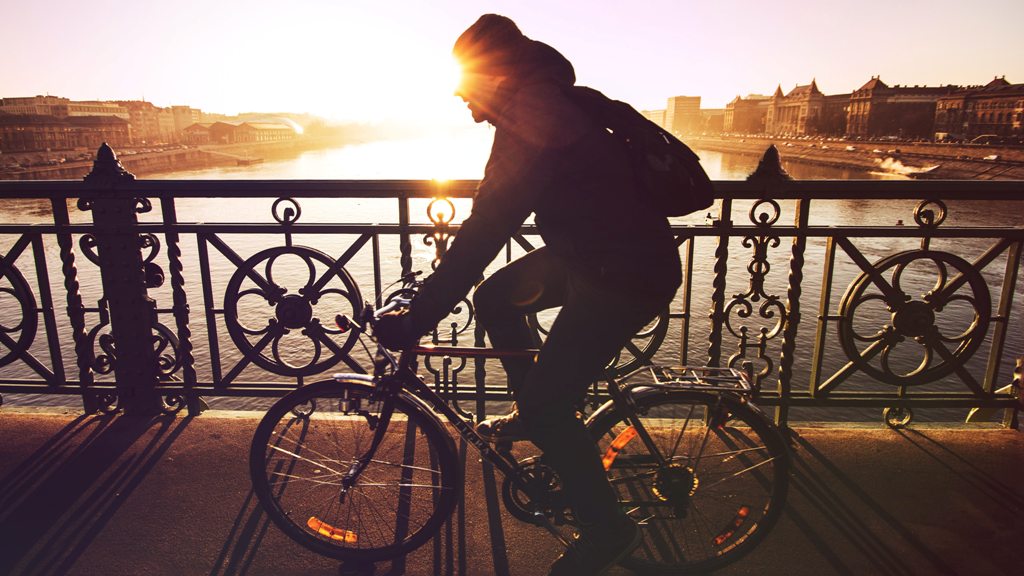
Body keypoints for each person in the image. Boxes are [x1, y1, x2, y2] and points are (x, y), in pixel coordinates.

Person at [375, 14, 682, 575]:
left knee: (548, 404)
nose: (466, 106)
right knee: (495, 298)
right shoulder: (547, 100)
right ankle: (536, 412)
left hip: (624, 274)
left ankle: (607, 529)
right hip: (597, 255)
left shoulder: (534, 116)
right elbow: (490, 226)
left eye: (466, 90)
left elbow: (487, 228)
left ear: (493, 77)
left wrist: (415, 320)